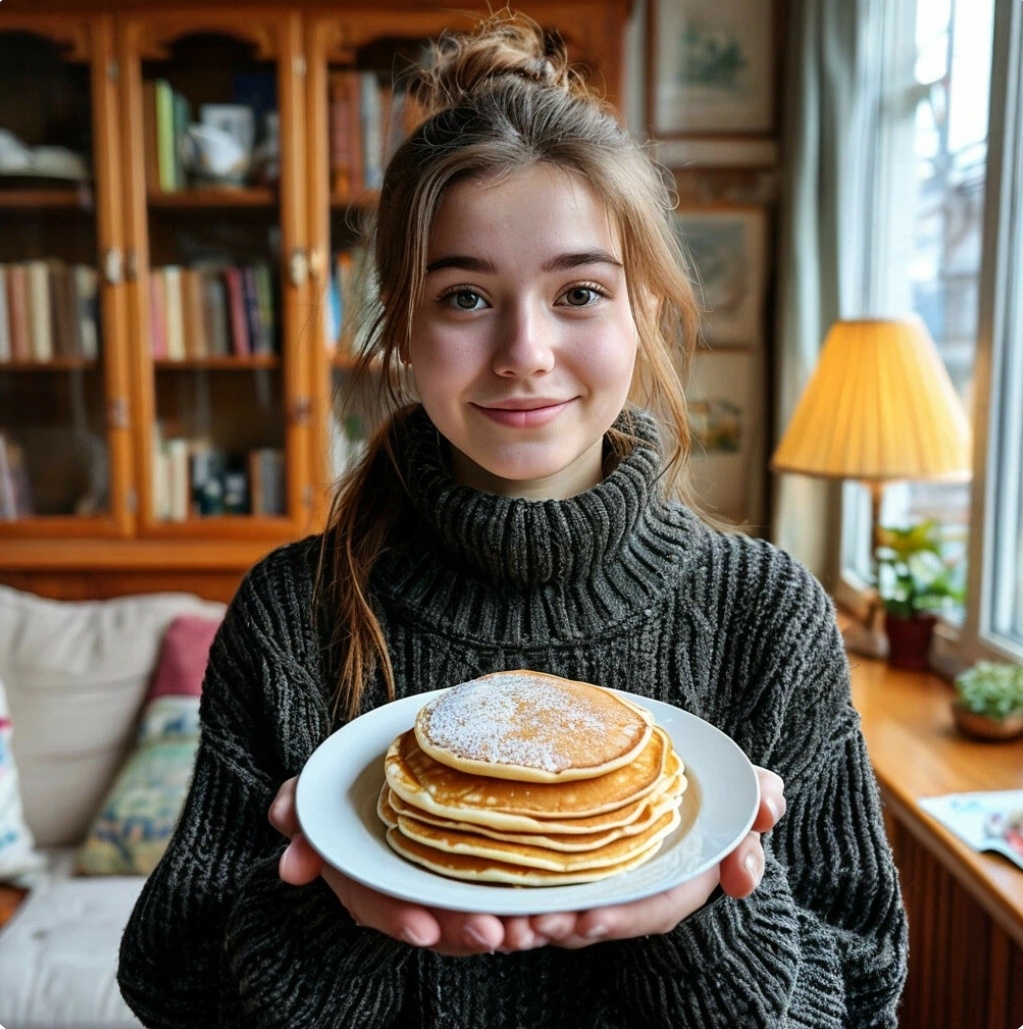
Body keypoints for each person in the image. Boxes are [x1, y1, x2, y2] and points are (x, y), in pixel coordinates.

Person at [118, 12, 908, 1028]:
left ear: (644, 312)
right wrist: (332, 907)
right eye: (464, 297)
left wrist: (705, 903)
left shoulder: (766, 614)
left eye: (578, 291)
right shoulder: (293, 615)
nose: (525, 350)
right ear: (401, 321)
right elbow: (173, 986)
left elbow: (861, 994)